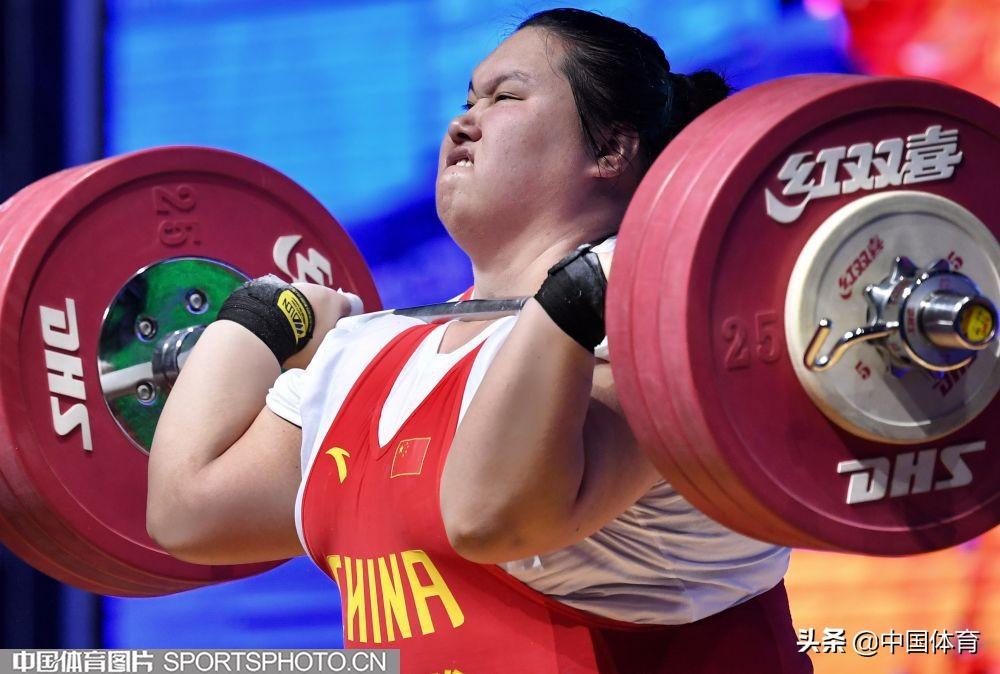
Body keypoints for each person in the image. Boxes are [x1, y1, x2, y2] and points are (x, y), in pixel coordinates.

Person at [148, 8, 812, 673]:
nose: (464, 121)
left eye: (505, 97)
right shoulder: (365, 352)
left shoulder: (663, 335)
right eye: (467, 99)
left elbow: (494, 518)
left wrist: (603, 281)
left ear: (611, 149)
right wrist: (262, 317)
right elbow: (188, 515)